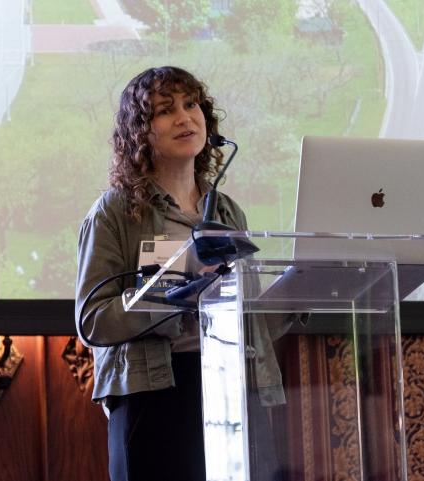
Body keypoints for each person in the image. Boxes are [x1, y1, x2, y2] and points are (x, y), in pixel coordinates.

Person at [75, 66, 250, 481]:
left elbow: (248, 310)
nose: (184, 117)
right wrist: (174, 287)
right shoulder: (115, 211)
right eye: (165, 110)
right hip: (152, 390)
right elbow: (92, 321)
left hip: (225, 386)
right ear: (140, 131)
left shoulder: (226, 210)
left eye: (191, 105)